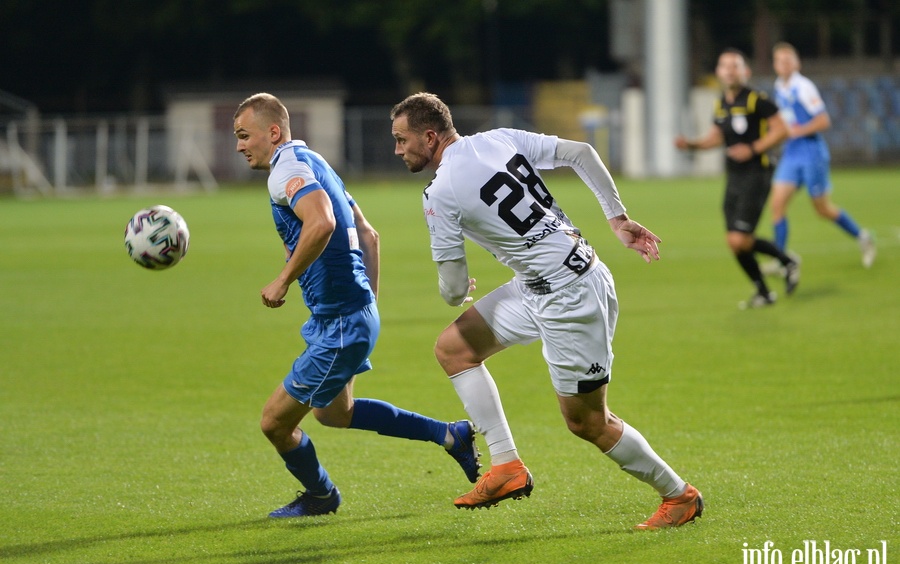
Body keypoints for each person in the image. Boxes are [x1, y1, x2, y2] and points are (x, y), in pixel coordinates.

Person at [390, 92, 702, 530]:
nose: (398, 149)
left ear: (429, 136)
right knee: (454, 349)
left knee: (588, 422)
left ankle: (679, 496)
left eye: (403, 140)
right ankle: (506, 467)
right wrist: (616, 217)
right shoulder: (498, 139)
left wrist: (456, 292)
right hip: (550, 280)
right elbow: (581, 152)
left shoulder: (440, 192)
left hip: (569, 297)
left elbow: (453, 286)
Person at [233, 92, 481, 518]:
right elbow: (369, 235)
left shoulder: (285, 172)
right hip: (351, 317)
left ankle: (322, 496)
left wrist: (282, 279)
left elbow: (322, 222)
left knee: (275, 423)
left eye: (244, 135)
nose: (239, 145)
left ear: (273, 133)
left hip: (342, 323)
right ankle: (450, 435)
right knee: (334, 414)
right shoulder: (316, 163)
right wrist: (369, 306)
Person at [675, 48, 799, 309]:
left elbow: (782, 130)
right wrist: (692, 145)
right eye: (725, 66)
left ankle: (787, 262)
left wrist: (753, 149)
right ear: (719, 72)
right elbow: (716, 137)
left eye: (735, 66)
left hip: (758, 173)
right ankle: (765, 291)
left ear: (746, 71)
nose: (730, 71)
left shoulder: (757, 100)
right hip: (734, 177)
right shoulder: (722, 103)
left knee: (739, 239)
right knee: (735, 242)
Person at [769, 41, 876, 268]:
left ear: (797, 63)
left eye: (788, 60)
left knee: (822, 209)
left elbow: (823, 120)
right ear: (775, 65)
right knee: (777, 205)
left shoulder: (803, 87)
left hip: (811, 152)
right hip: (791, 153)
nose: (784, 64)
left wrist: (798, 130)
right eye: (780, 60)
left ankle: (863, 237)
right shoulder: (779, 86)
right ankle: (781, 260)